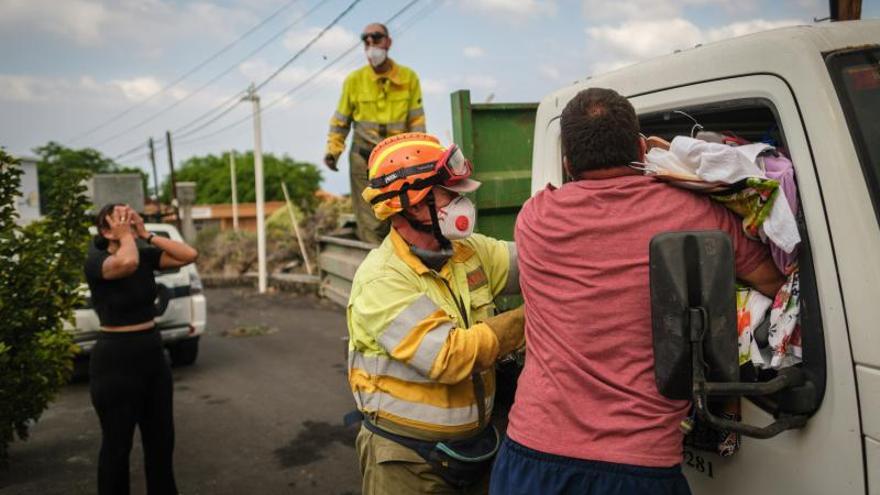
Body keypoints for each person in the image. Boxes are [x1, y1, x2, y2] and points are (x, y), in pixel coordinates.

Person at [490, 88, 785, 494]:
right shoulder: (696, 213)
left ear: (567, 163)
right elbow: (776, 282)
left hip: (531, 452)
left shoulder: (535, 219)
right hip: (636, 465)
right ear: (641, 147)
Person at [348, 132, 524, 494]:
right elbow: (449, 356)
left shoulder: (466, 250)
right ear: (414, 206)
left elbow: (533, 264)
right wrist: (539, 314)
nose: (462, 202)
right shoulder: (382, 278)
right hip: (408, 461)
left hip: (475, 448)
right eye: (452, 194)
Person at [84, 204, 199, 495]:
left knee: (161, 444)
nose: (126, 222)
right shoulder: (96, 260)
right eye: (119, 219)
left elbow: (189, 255)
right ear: (105, 230)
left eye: (129, 217)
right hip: (114, 362)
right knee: (117, 447)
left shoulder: (143, 253)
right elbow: (126, 265)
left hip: (151, 356)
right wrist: (126, 237)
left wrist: (146, 234)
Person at [325, 22, 426, 244]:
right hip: (364, 160)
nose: (371, 45)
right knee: (371, 220)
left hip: (396, 162)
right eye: (366, 41)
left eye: (377, 38)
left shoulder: (408, 78)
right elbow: (341, 120)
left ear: (388, 42)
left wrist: (420, 159)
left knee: (398, 214)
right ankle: (375, 271)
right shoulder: (354, 80)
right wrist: (333, 151)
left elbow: (417, 123)